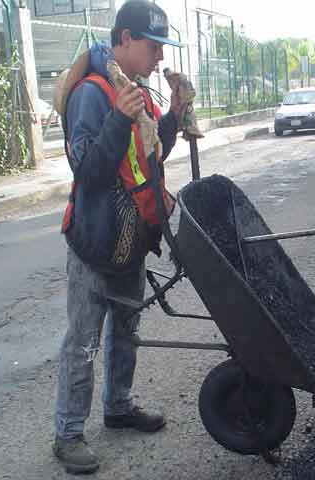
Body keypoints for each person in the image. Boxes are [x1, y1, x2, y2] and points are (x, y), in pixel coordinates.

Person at [51, 0, 187, 474]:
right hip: (94, 244)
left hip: (130, 240)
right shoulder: (92, 94)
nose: (160, 57)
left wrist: (175, 115)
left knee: (126, 331)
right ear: (125, 40)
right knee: (85, 342)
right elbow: (89, 173)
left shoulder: (136, 92)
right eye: (153, 46)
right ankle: (68, 433)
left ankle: (119, 406)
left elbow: (149, 156)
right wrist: (118, 119)